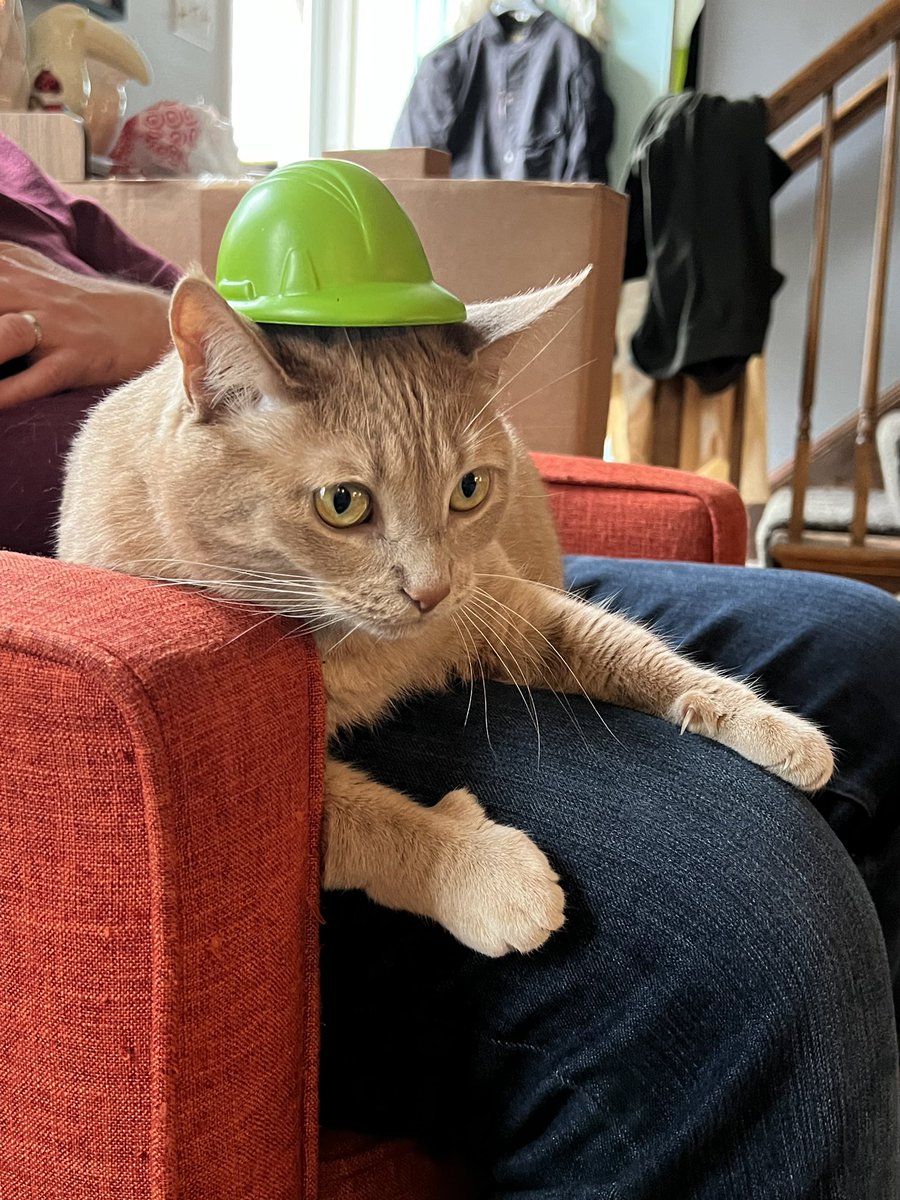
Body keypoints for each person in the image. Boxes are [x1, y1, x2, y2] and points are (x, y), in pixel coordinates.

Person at [2, 133, 899, 1197]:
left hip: (378, 527)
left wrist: (131, 319)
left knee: (866, 650)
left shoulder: (31, 181)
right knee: (748, 920)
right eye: (344, 500)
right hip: (223, 614)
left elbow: (211, 314)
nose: (427, 580)